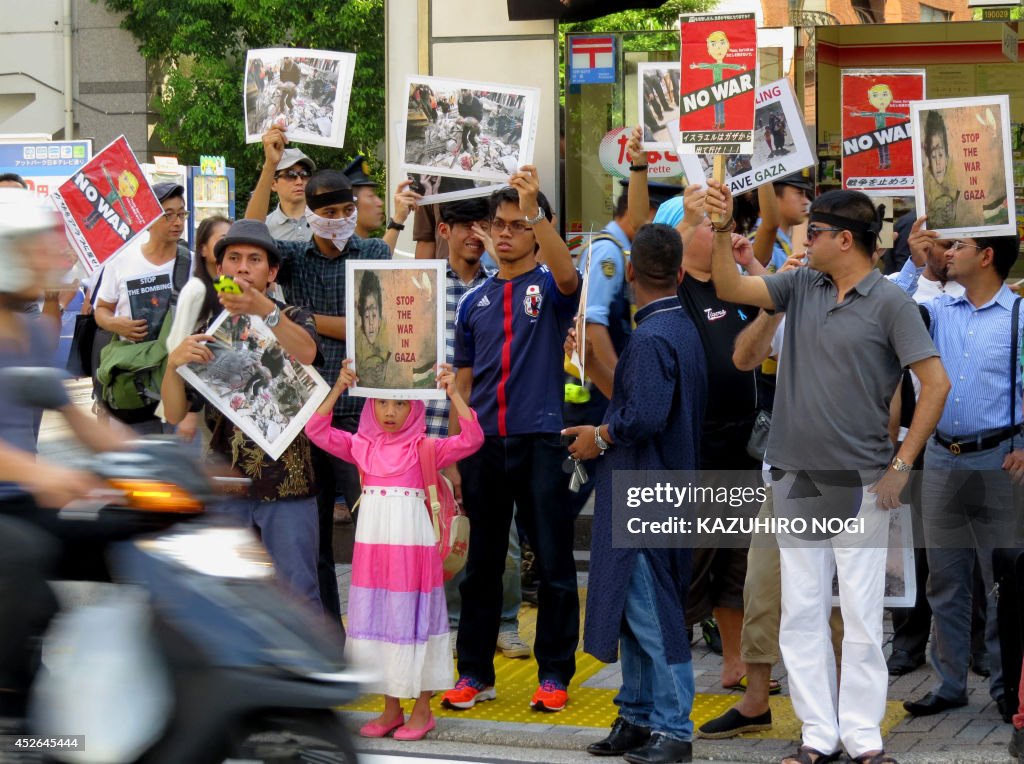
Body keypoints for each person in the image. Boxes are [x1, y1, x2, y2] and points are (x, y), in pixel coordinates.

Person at [704, 182, 949, 764]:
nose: (803, 237)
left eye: (812, 231)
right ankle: (818, 736)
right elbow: (729, 285)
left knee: (863, 617)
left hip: (863, 483)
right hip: (795, 477)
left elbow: (935, 384)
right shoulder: (801, 284)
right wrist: (718, 230)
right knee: (803, 613)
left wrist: (900, 465)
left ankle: (862, 739)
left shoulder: (891, 302)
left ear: (845, 239)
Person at [565, 223, 706, 764]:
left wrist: (597, 436)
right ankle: (639, 715)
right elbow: (643, 400)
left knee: (650, 612)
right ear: (677, 273)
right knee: (633, 607)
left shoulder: (649, 337)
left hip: (643, 489)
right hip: (667, 482)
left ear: (629, 273)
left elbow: (641, 415)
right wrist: (596, 365)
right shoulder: (680, 328)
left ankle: (674, 729)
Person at [444, 169, 581, 713]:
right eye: (498, 225)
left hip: (543, 440)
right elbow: (462, 380)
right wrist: (456, 450)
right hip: (482, 447)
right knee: (480, 566)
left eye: (516, 225)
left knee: (552, 563)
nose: (504, 234)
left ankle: (554, 675)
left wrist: (537, 210)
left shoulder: (550, 285)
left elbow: (570, 275)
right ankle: (474, 673)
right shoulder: (471, 298)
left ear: (534, 231)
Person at [245, 126, 391, 628]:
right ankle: (331, 638)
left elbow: (375, 326)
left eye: (347, 210)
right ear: (309, 215)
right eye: (328, 213)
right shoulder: (294, 260)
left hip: (368, 414)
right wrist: (269, 166)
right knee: (318, 545)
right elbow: (247, 244)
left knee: (375, 531)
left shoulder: (374, 255)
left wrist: (305, 318)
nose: (340, 220)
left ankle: (379, 633)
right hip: (309, 416)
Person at [0, 188, 129, 718]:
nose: (50, 260)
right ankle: (19, 714)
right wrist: (42, 473)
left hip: (22, 499)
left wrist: (172, 469)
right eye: (36, 249)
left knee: (125, 538)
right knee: (25, 563)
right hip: (15, 500)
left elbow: (81, 423)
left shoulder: (30, 331)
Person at [304, 363, 484, 740]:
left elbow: (472, 439)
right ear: (370, 406)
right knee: (385, 623)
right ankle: (390, 710)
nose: (389, 412)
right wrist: (338, 387)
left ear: (415, 408)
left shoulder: (425, 449)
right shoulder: (361, 445)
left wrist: (454, 395)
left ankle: (422, 711)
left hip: (413, 555)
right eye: (382, 403)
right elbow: (315, 429)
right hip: (374, 558)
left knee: (412, 622)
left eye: (400, 404)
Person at [893, 222, 1024, 721]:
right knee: (944, 578)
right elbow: (885, 309)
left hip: (999, 460)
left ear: (987, 256)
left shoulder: (1018, 314)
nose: (948, 253)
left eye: (959, 246)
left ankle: (1002, 680)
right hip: (943, 457)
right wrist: (912, 262)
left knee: (999, 579)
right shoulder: (936, 311)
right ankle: (948, 683)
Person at [161, 219, 322, 613]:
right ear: (220, 270)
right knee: (227, 597)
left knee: (297, 593)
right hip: (225, 483)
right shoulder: (208, 328)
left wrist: (263, 309)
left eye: (254, 259)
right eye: (233, 258)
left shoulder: (295, 316)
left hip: (289, 484)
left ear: (272, 272)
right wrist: (172, 366)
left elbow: (307, 354)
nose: (243, 267)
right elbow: (175, 410)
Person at [92, 181, 193, 434]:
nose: (177, 222)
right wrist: (116, 323)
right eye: (168, 215)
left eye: (181, 214)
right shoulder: (122, 261)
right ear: (148, 218)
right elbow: (101, 310)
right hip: (129, 374)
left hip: (175, 377)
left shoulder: (191, 265)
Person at [164, 214, 233, 445]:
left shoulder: (228, 285)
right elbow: (176, 346)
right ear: (203, 249)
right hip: (198, 402)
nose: (228, 245)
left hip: (225, 396)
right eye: (222, 239)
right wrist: (190, 409)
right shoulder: (195, 288)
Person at [342, 154, 420, 253]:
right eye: (370, 195)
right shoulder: (342, 252)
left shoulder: (363, 248)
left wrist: (398, 219)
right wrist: (397, 220)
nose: (379, 202)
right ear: (350, 206)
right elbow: (378, 263)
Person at [263, 147, 316, 242]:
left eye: (304, 174)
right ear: (273, 184)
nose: (299, 181)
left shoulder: (327, 220)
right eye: (290, 175)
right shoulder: (264, 227)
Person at [922, 110, 958, 230]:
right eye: (933, 157)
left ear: (947, 157)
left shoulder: (955, 185)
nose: (938, 162)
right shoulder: (925, 190)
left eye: (941, 155)